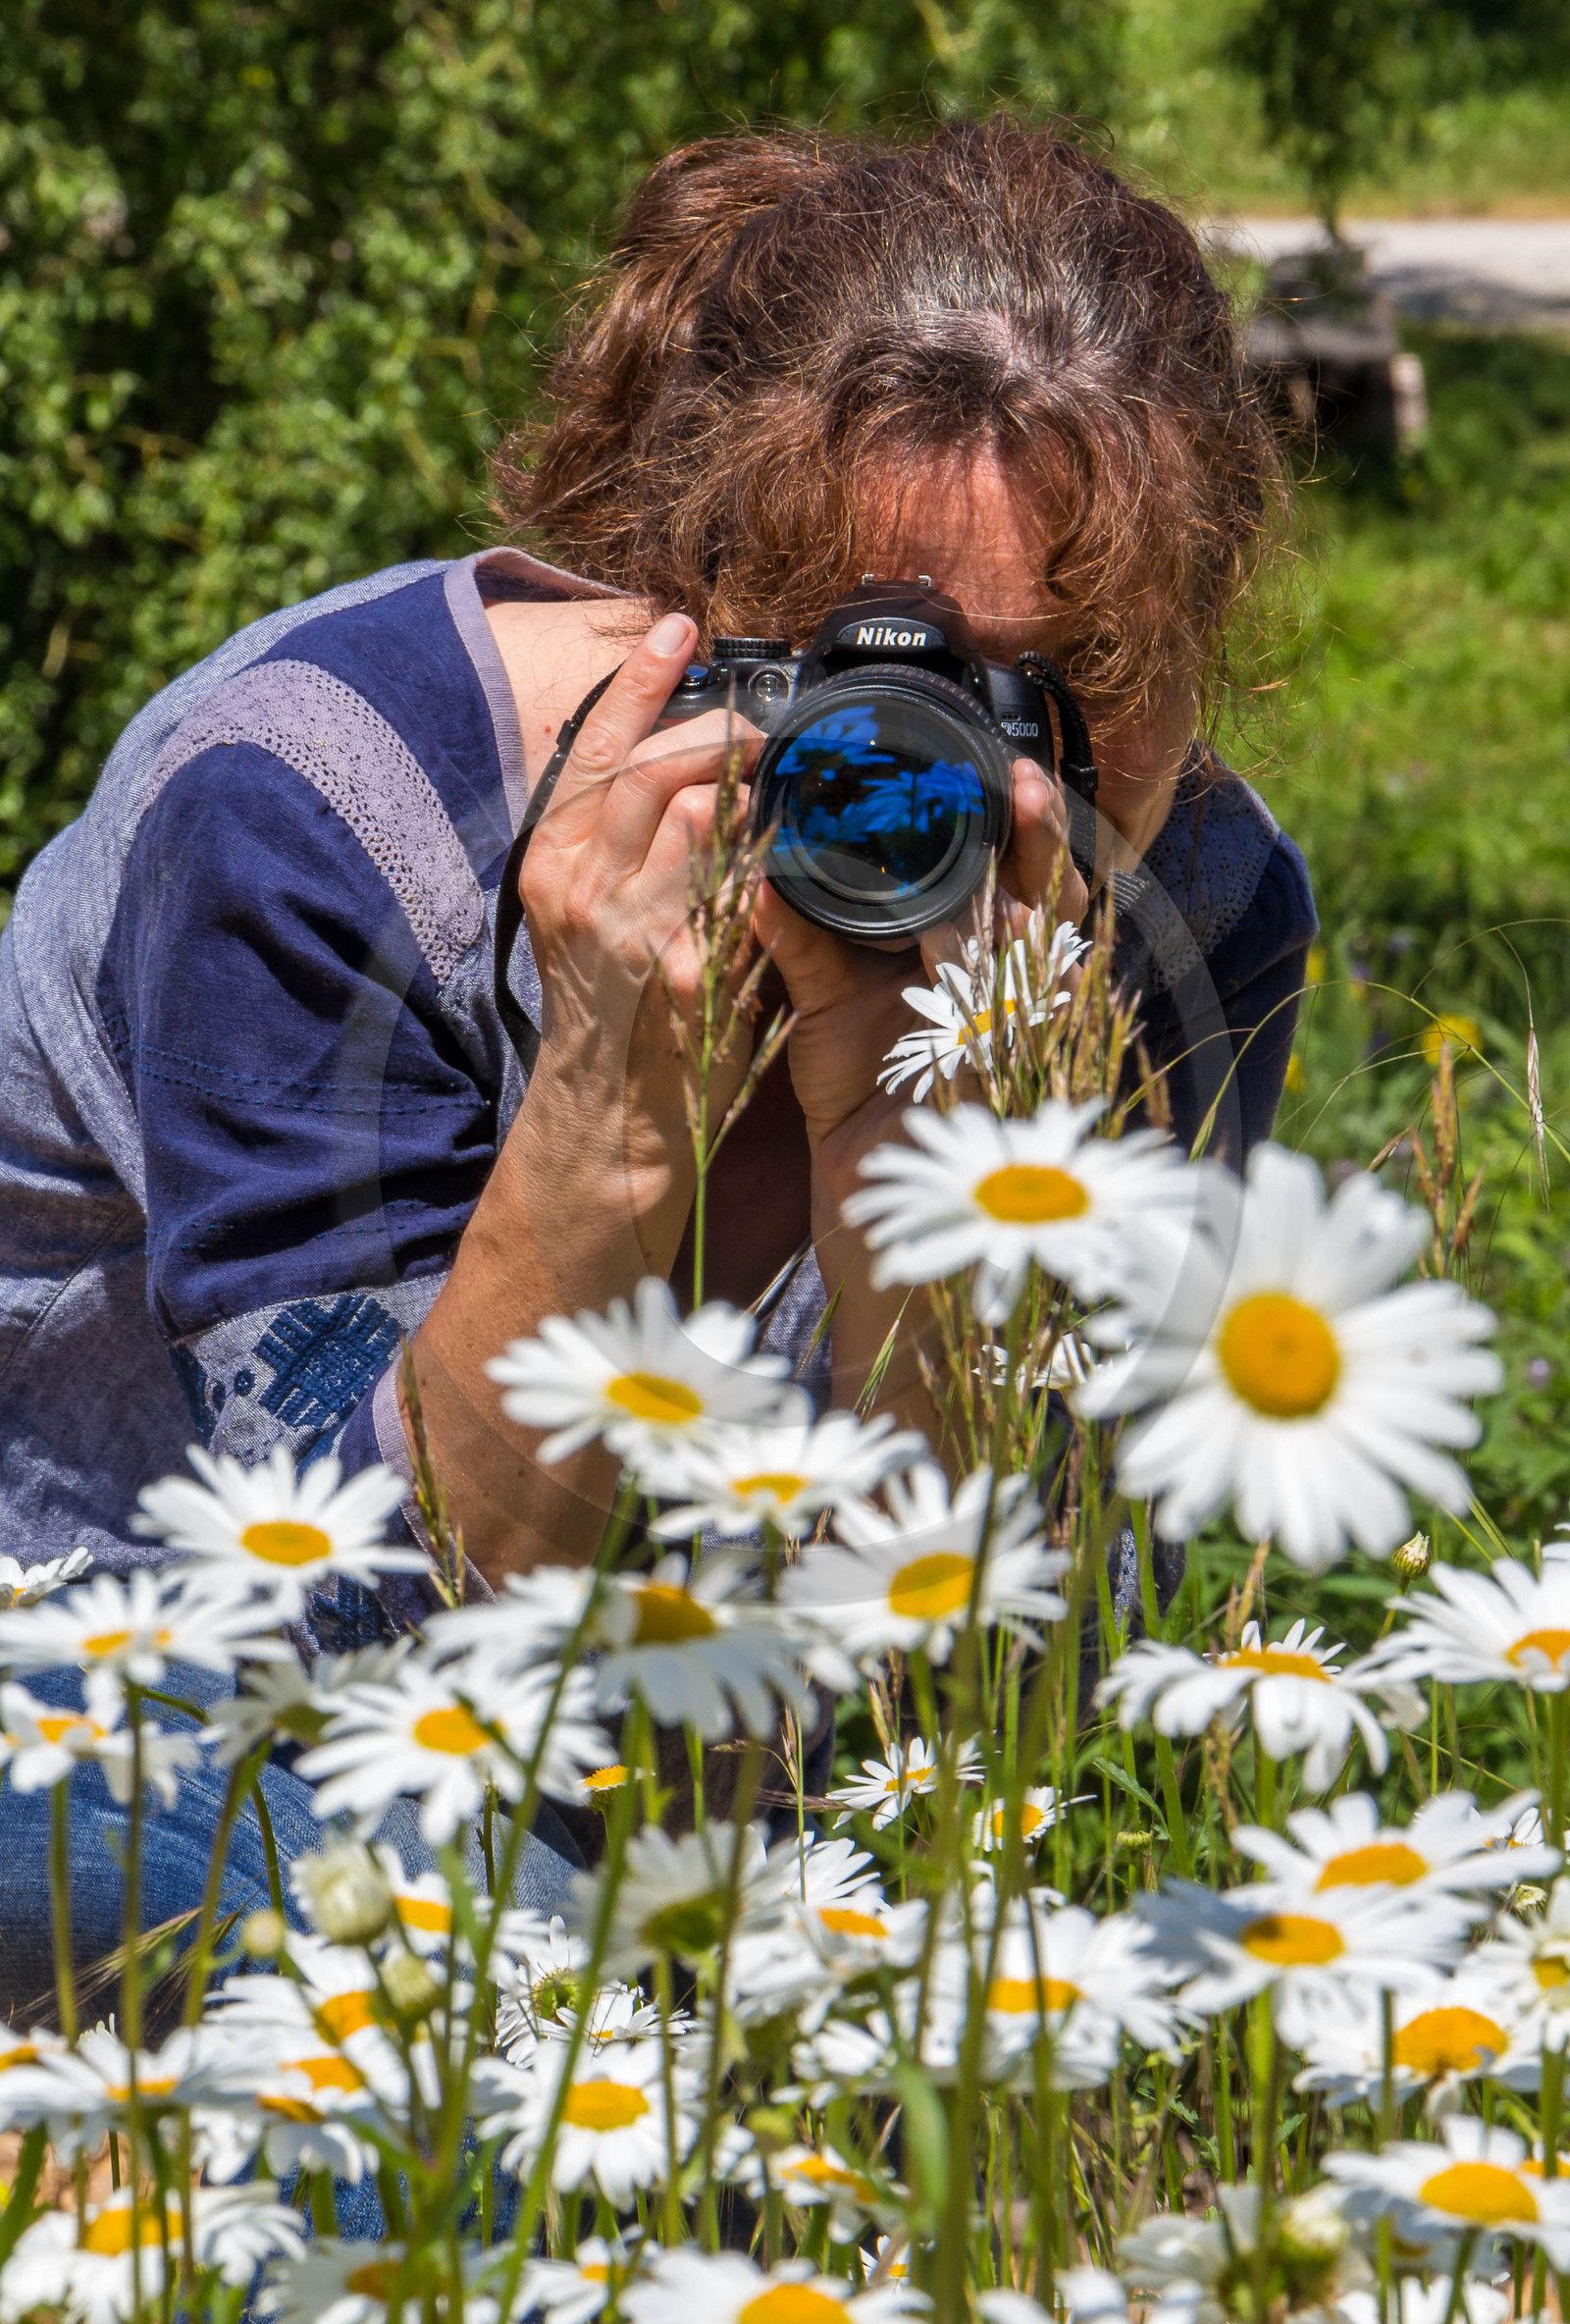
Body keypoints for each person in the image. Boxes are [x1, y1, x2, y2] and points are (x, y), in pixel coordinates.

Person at [0, 117, 1315, 1999]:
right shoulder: (315, 818)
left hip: (678, 1790)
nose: (974, 782)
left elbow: (991, 1727)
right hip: (118, 1678)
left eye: (1073, 685)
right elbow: (356, 1639)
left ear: (1206, 638)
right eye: (884, 682)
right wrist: (612, 1107)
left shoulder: (1190, 902)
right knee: (526, 1991)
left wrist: (944, 1187)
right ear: (691, 608)